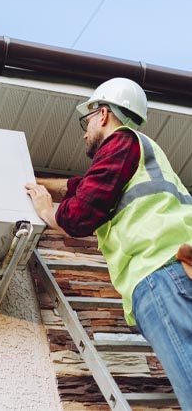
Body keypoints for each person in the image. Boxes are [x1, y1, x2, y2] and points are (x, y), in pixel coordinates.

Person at [25, 77, 192, 410]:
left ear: (102, 114)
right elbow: (80, 185)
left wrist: (47, 211)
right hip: (177, 270)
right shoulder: (142, 153)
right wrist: (35, 181)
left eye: (86, 120)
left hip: (158, 274)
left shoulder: (121, 142)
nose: (84, 130)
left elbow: (79, 215)